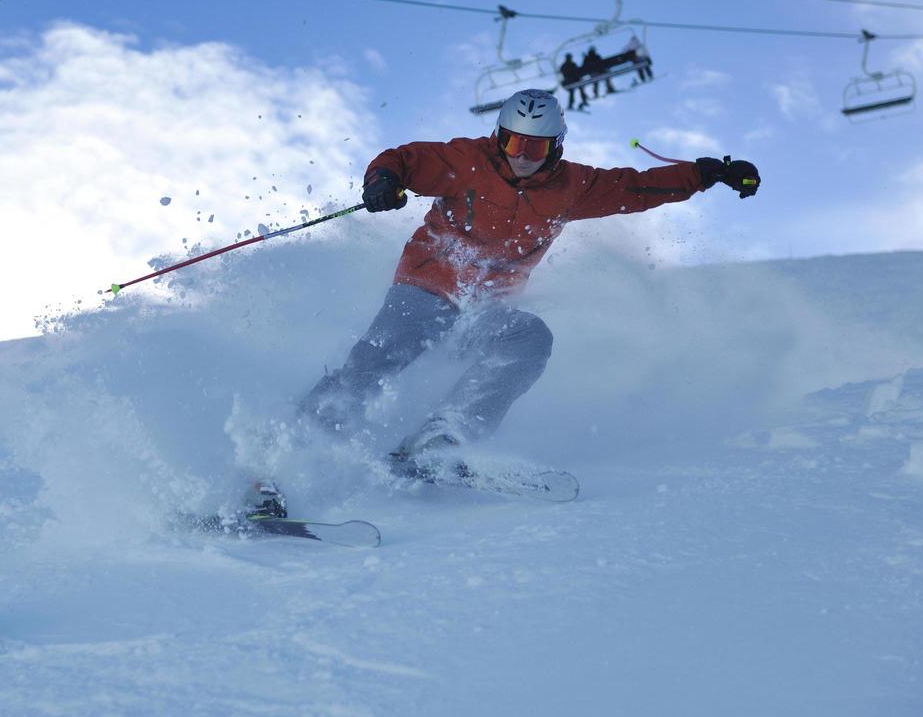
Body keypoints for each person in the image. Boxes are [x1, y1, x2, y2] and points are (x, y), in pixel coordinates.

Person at [257, 89, 760, 514]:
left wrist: (707, 173)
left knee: (529, 337)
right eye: (515, 141)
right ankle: (276, 462)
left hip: (484, 309)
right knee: (376, 360)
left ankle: (439, 442)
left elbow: (636, 185)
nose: (523, 154)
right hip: (427, 286)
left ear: (555, 147)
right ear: (499, 137)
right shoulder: (467, 161)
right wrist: (383, 180)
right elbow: (406, 160)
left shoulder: (574, 187)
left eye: (536, 146)